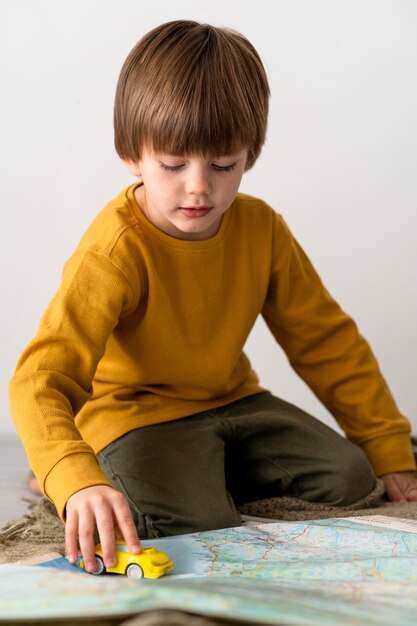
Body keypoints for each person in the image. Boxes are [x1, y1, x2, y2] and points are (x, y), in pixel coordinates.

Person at [9, 20, 417, 575]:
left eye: (223, 165)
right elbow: (40, 379)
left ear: (250, 153)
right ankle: (82, 467)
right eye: (173, 165)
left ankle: (199, 467)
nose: (199, 186)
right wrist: (70, 472)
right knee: (194, 522)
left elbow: (325, 339)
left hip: (231, 400)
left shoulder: (261, 227)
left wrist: (388, 446)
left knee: (349, 477)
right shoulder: (115, 249)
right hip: (132, 415)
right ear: (133, 155)